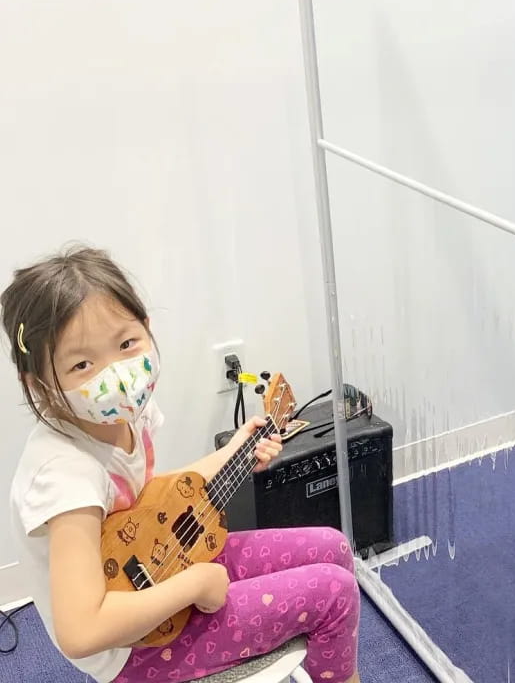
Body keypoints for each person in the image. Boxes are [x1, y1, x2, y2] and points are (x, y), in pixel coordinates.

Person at [2, 246, 361, 683]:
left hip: (164, 562)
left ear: (146, 329)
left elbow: (150, 500)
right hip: (132, 648)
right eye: (82, 364)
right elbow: (82, 629)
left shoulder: (126, 414)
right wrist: (194, 586)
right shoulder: (63, 476)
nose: (116, 375)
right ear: (39, 383)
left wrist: (239, 451)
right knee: (335, 594)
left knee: (333, 547)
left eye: (126, 344)